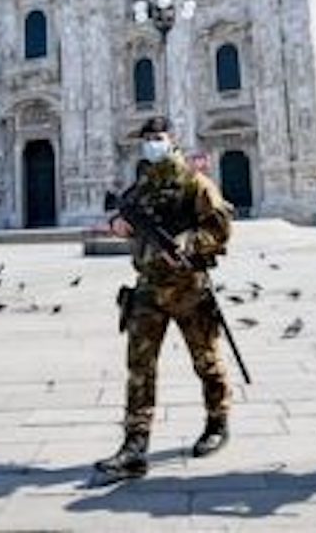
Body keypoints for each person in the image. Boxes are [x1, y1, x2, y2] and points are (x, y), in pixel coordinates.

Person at [95, 116, 235, 479]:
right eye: (147, 139)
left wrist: (188, 243)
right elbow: (122, 219)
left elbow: (220, 228)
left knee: (206, 361)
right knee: (139, 369)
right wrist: (117, 225)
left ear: (172, 140)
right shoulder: (141, 187)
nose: (152, 144)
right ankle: (134, 446)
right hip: (147, 290)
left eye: (158, 138)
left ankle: (217, 423)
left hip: (189, 288)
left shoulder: (195, 183)